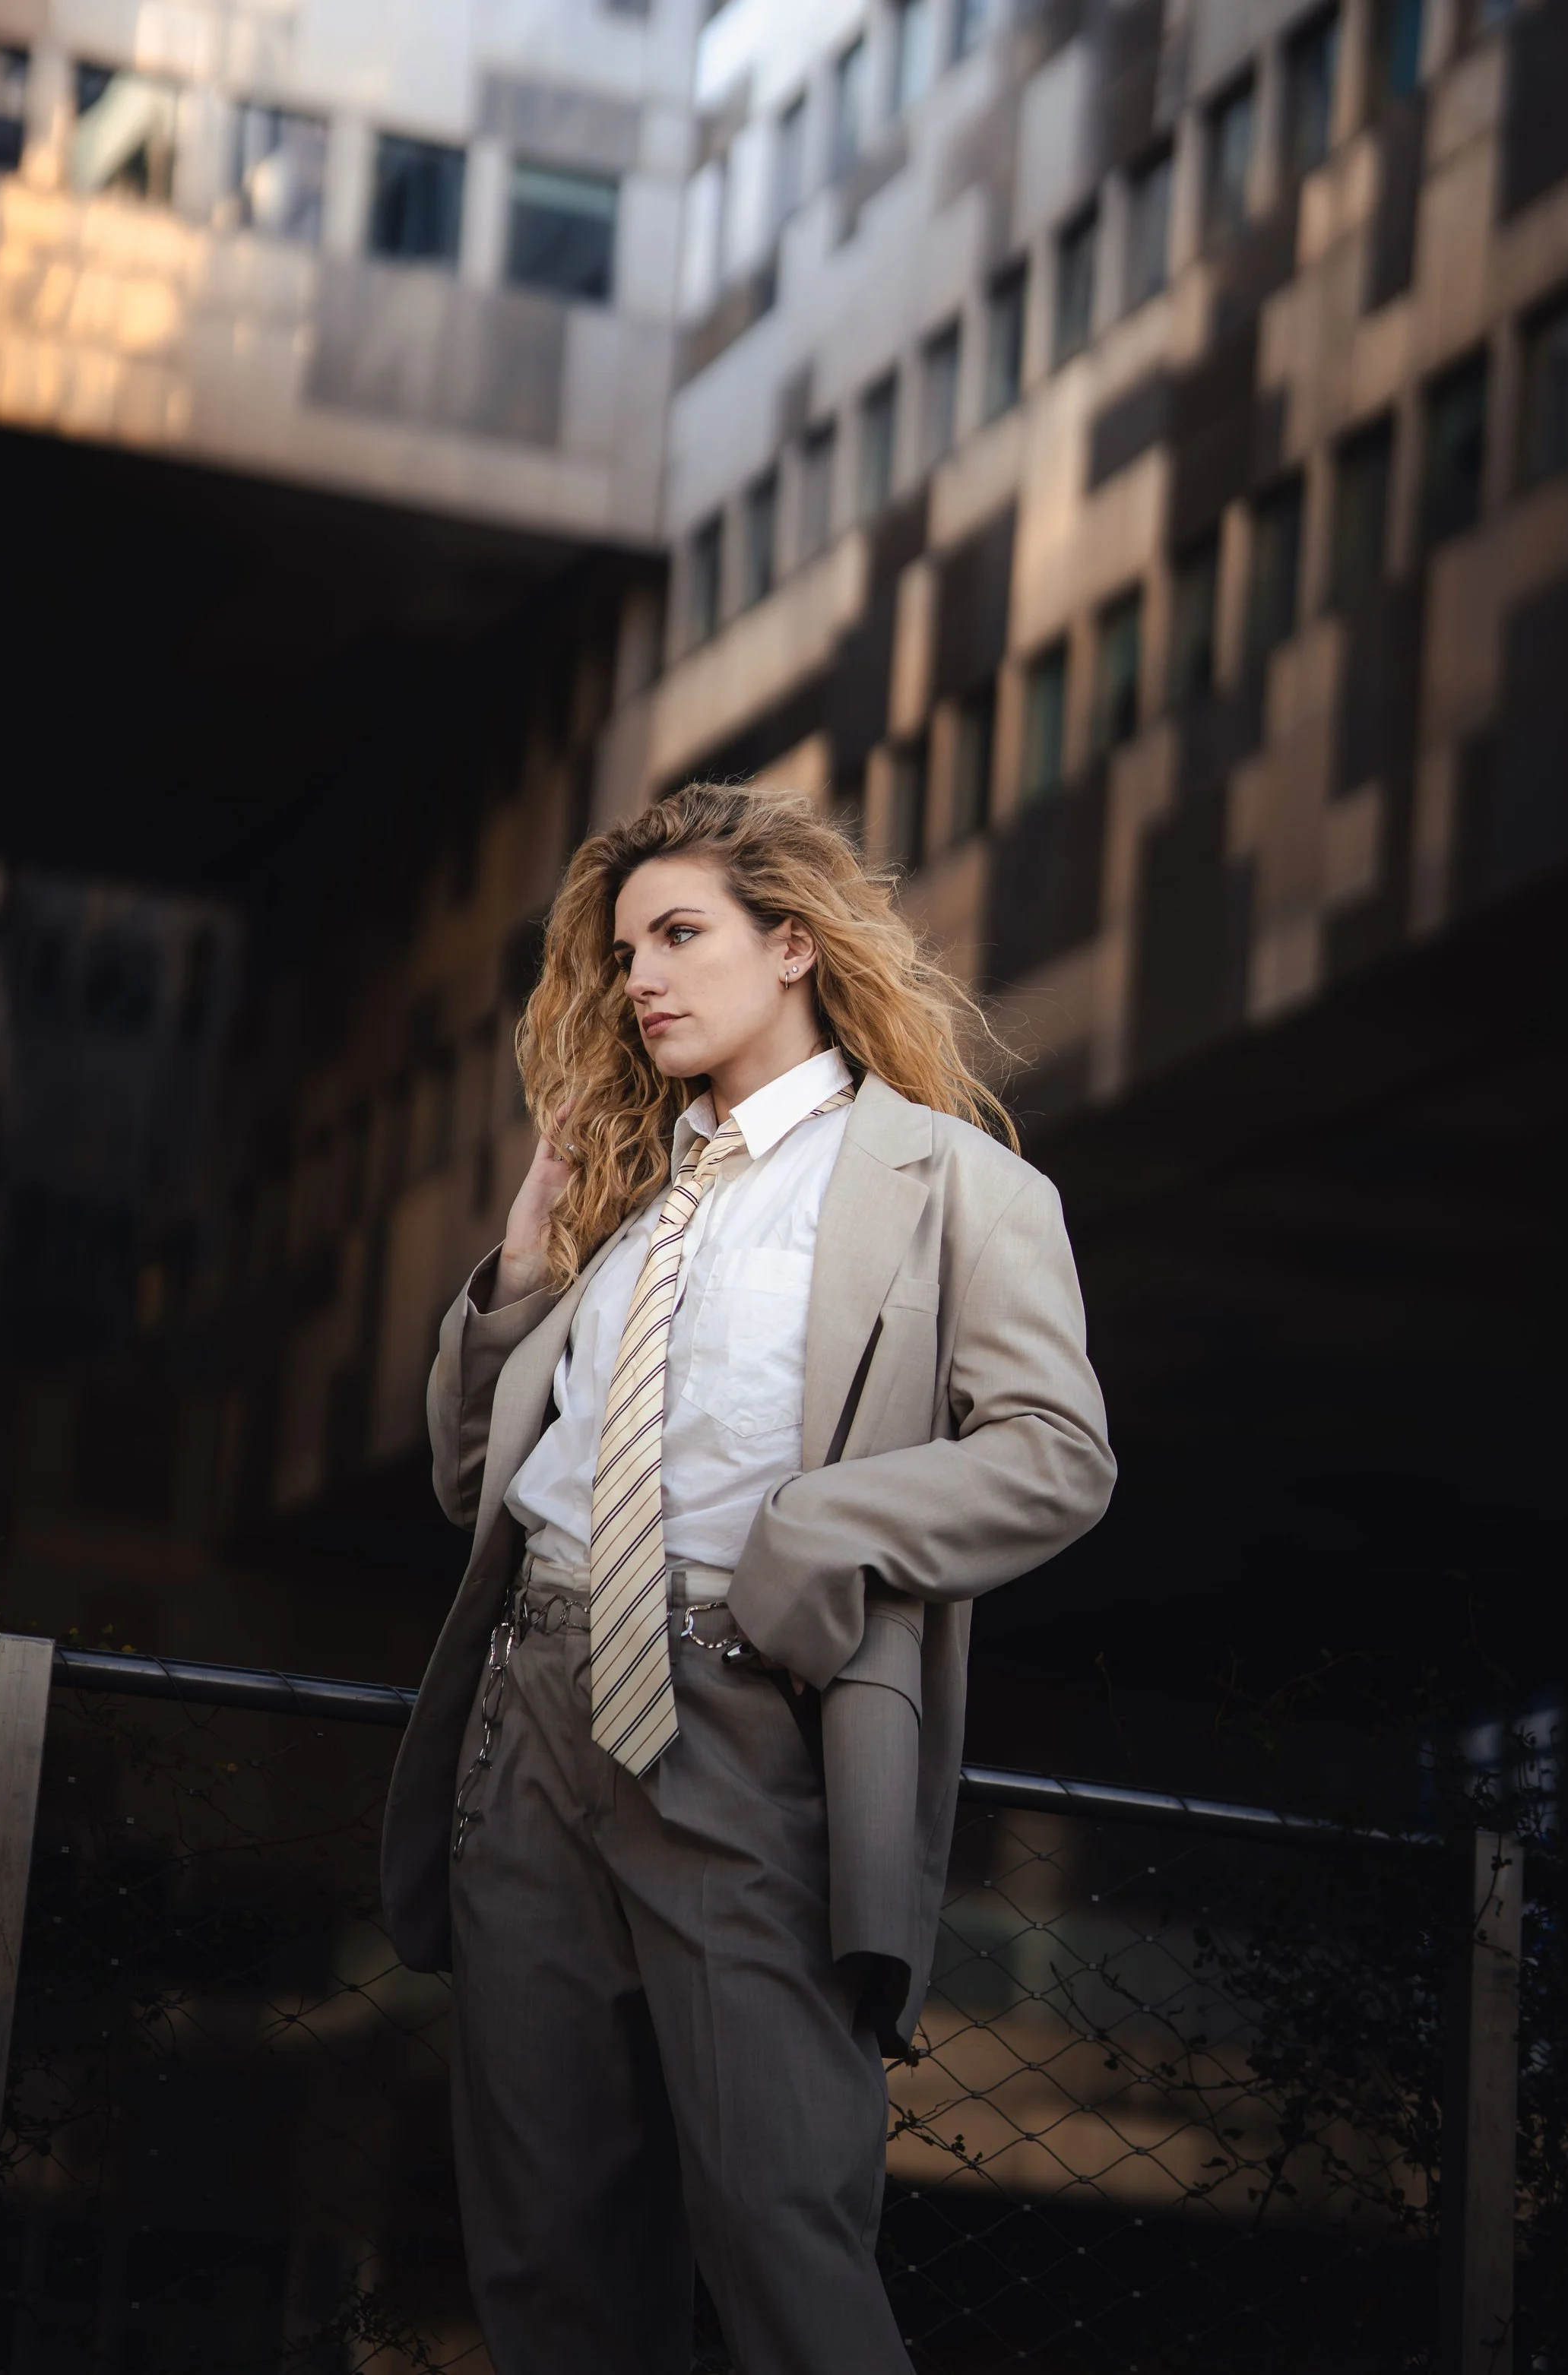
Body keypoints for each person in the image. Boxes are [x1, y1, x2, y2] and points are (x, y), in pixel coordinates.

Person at [381, 782, 1115, 2375]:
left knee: (778, 2218)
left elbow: (1056, 1450)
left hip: (738, 1723)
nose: (638, 974)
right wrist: (519, 1270)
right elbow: (470, 1479)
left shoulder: (950, 1186)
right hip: (528, 1727)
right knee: (546, 2242)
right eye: (624, 944)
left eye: (678, 934)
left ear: (792, 942)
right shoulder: (626, 1200)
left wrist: (822, 1531)